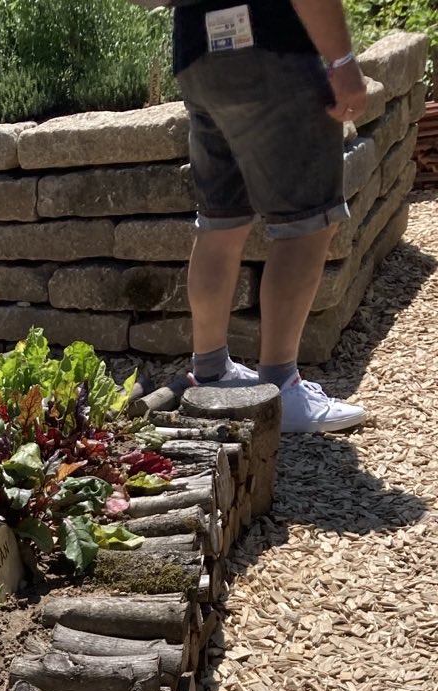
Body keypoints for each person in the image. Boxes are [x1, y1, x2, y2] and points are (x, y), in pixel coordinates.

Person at [173, 0, 369, 432]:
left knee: (221, 220)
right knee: (306, 224)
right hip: (272, 44)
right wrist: (342, 61)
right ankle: (281, 387)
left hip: (196, 51)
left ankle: (211, 372)